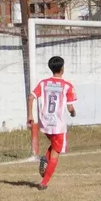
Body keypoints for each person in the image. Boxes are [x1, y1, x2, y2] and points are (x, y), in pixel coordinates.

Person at [27, 55, 76, 191]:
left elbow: (31, 97)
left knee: (54, 145)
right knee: (56, 152)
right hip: (58, 124)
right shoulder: (67, 86)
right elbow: (70, 108)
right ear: (62, 69)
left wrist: (30, 115)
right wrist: (73, 113)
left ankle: (45, 159)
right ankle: (44, 183)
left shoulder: (43, 83)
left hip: (45, 122)